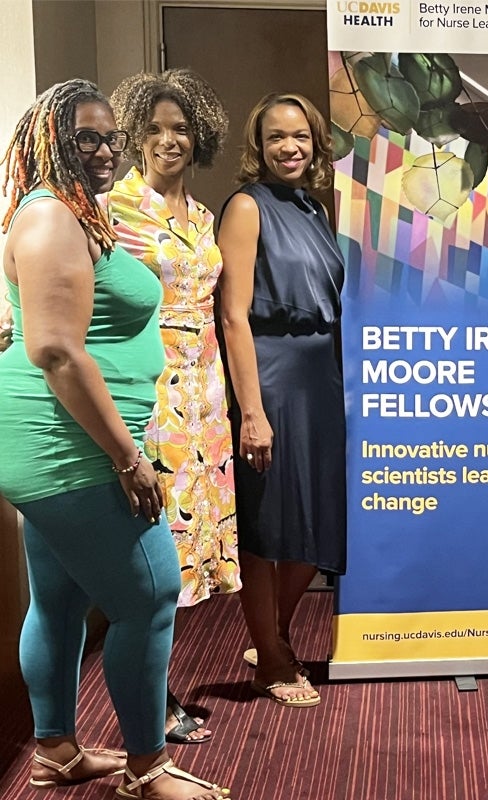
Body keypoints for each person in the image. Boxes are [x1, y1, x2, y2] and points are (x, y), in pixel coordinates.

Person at [0, 79, 227, 799]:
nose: (100, 151)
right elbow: (58, 353)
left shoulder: (74, 214)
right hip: (69, 446)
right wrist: (128, 457)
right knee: (150, 593)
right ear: (48, 144)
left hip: (65, 442)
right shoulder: (49, 220)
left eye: (107, 138)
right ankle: (146, 768)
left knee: (61, 600)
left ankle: (56, 751)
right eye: (83, 139)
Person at [105, 68, 237, 745]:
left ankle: (156, 687)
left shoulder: (206, 216)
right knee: (151, 555)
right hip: (148, 392)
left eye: (180, 128)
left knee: (183, 550)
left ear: (200, 135)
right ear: (132, 135)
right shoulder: (112, 209)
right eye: (153, 129)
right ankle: (148, 703)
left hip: (204, 399)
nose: (167, 140)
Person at [218, 92, 346, 707]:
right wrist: (251, 412)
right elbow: (233, 316)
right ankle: (271, 658)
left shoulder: (314, 208)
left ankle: (274, 634)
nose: (289, 148)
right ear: (259, 146)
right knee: (269, 523)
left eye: (299, 137)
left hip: (319, 379)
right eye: (275, 138)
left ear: (315, 143)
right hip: (270, 376)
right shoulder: (247, 206)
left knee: (315, 521)